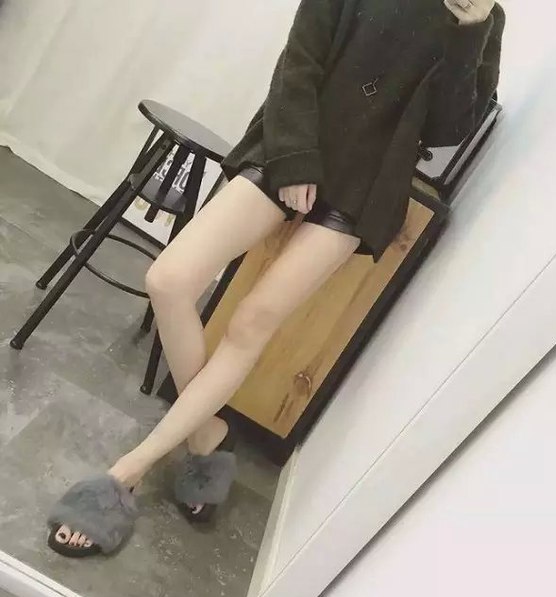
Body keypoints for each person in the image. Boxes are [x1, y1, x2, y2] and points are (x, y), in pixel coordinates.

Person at [47, 0, 505, 557]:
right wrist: (297, 160)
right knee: (169, 280)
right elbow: (298, 63)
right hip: (289, 148)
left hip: (365, 187)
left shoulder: (484, 17)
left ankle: (128, 471)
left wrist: (471, 31)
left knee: (252, 323)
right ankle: (206, 434)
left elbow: (449, 128)